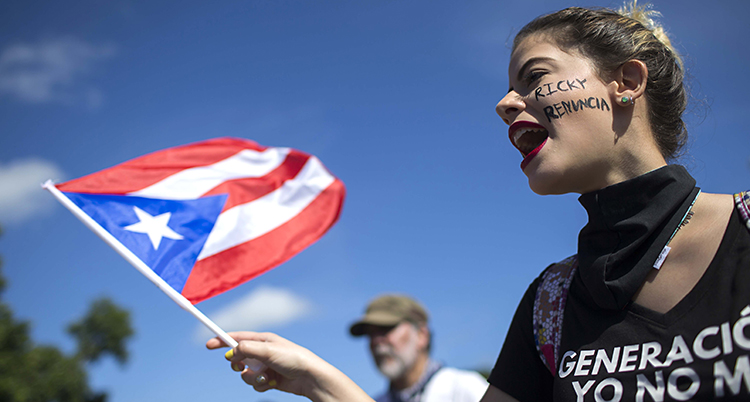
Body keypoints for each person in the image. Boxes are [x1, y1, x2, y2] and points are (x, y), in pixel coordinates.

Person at [207, 2, 750, 401]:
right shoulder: (550, 304)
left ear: (625, 82)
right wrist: (319, 383)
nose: (504, 104)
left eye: (534, 77)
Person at [348, 294, 488, 402]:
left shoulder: (464, 389)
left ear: (421, 335)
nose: (376, 341)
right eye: (370, 334)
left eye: (386, 329)